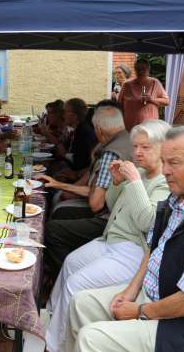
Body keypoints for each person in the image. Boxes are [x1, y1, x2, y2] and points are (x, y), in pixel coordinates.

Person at [65, 125, 184, 352]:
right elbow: (155, 246)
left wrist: (140, 311)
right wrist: (130, 291)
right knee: (81, 304)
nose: (165, 170)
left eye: (174, 162)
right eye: (164, 161)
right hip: (156, 297)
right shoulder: (179, 196)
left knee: (91, 338)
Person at [45, 120, 171, 352]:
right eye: (135, 147)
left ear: (163, 147)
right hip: (110, 240)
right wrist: (115, 183)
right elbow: (113, 205)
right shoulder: (141, 173)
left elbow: (147, 222)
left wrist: (132, 181)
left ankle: (54, 345)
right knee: (71, 262)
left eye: (145, 147)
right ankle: (53, 318)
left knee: (76, 284)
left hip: (133, 250)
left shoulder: (164, 182)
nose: (138, 152)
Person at [42, 106, 133, 277]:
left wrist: (61, 186)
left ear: (98, 129)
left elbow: (96, 204)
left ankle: (66, 274)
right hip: (122, 214)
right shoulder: (126, 139)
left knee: (51, 229)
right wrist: (59, 185)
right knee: (61, 211)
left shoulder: (111, 153)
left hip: (112, 220)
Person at [119, 58, 169, 132]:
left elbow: (166, 101)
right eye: (138, 69)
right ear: (135, 70)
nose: (141, 71)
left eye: (143, 69)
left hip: (150, 129)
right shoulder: (127, 85)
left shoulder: (155, 83)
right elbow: (119, 105)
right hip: (131, 128)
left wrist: (151, 99)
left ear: (148, 70)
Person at [54, 98, 98, 179]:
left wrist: (63, 152)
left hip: (78, 176)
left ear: (74, 116)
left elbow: (80, 161)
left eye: (65, 112)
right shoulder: (78, 129)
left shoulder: (83, 132)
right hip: (72, 169)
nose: (63, 115)